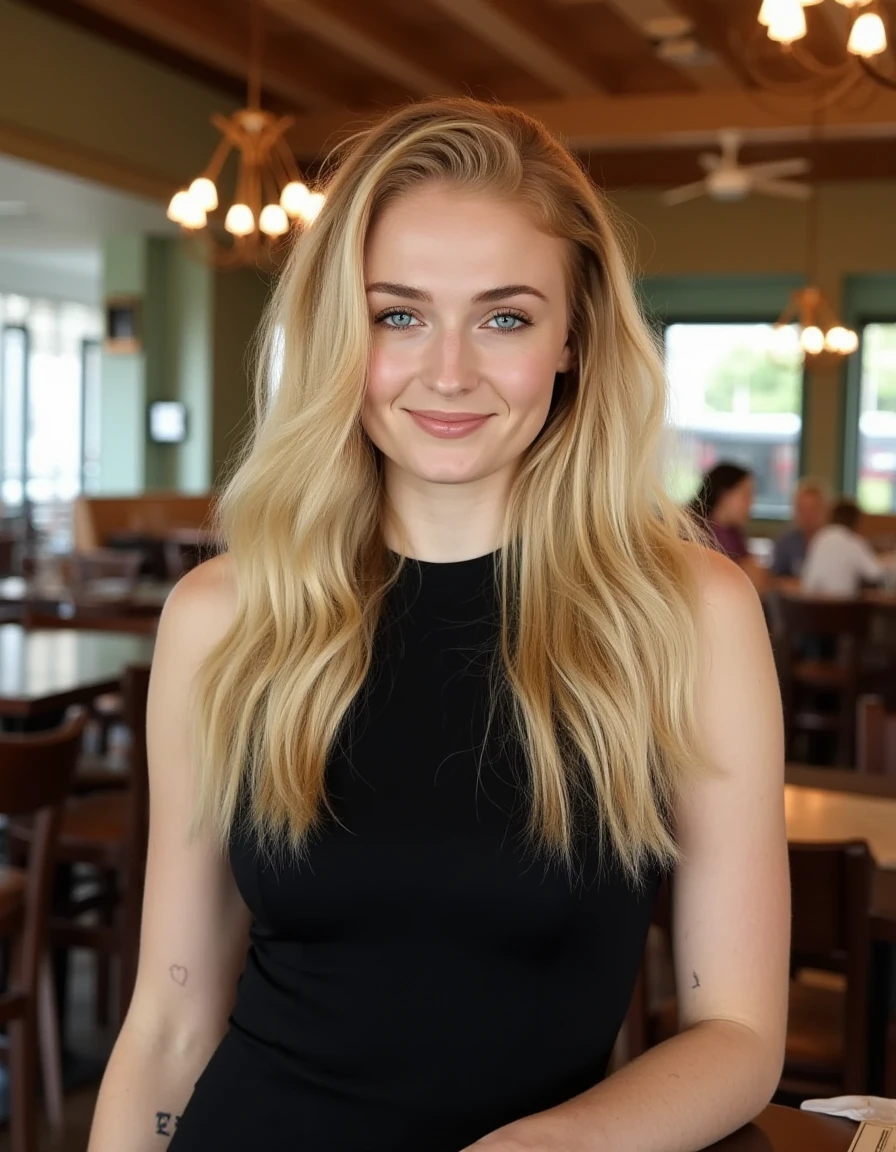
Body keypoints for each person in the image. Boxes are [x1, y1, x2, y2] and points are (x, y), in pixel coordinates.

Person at [88, 98, 788, 1152]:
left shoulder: (687, 615)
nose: (447, 371)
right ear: (340, 335)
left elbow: (735, 1032)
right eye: (397, 315)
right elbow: (171, 1025)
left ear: (572, 337)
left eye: (503, 317)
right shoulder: (223, 615)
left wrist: (550, 1144)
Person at [688, 462, 768, 592]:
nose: (751, 503)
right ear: (724, 495)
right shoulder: (696, 534)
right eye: (746, 495)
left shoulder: (735, 534)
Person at [801, 497, 885, 596]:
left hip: (807, 605)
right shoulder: (852, 540)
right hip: (840, 606)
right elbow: (876, 574)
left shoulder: (819, 537)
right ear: (856, 521)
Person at [771, 478, 829, 582]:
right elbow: (774, 579)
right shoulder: (786, 542)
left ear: (824, 510)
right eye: (802, 509)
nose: (807, 516)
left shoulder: (834, 542)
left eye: (812, 509)